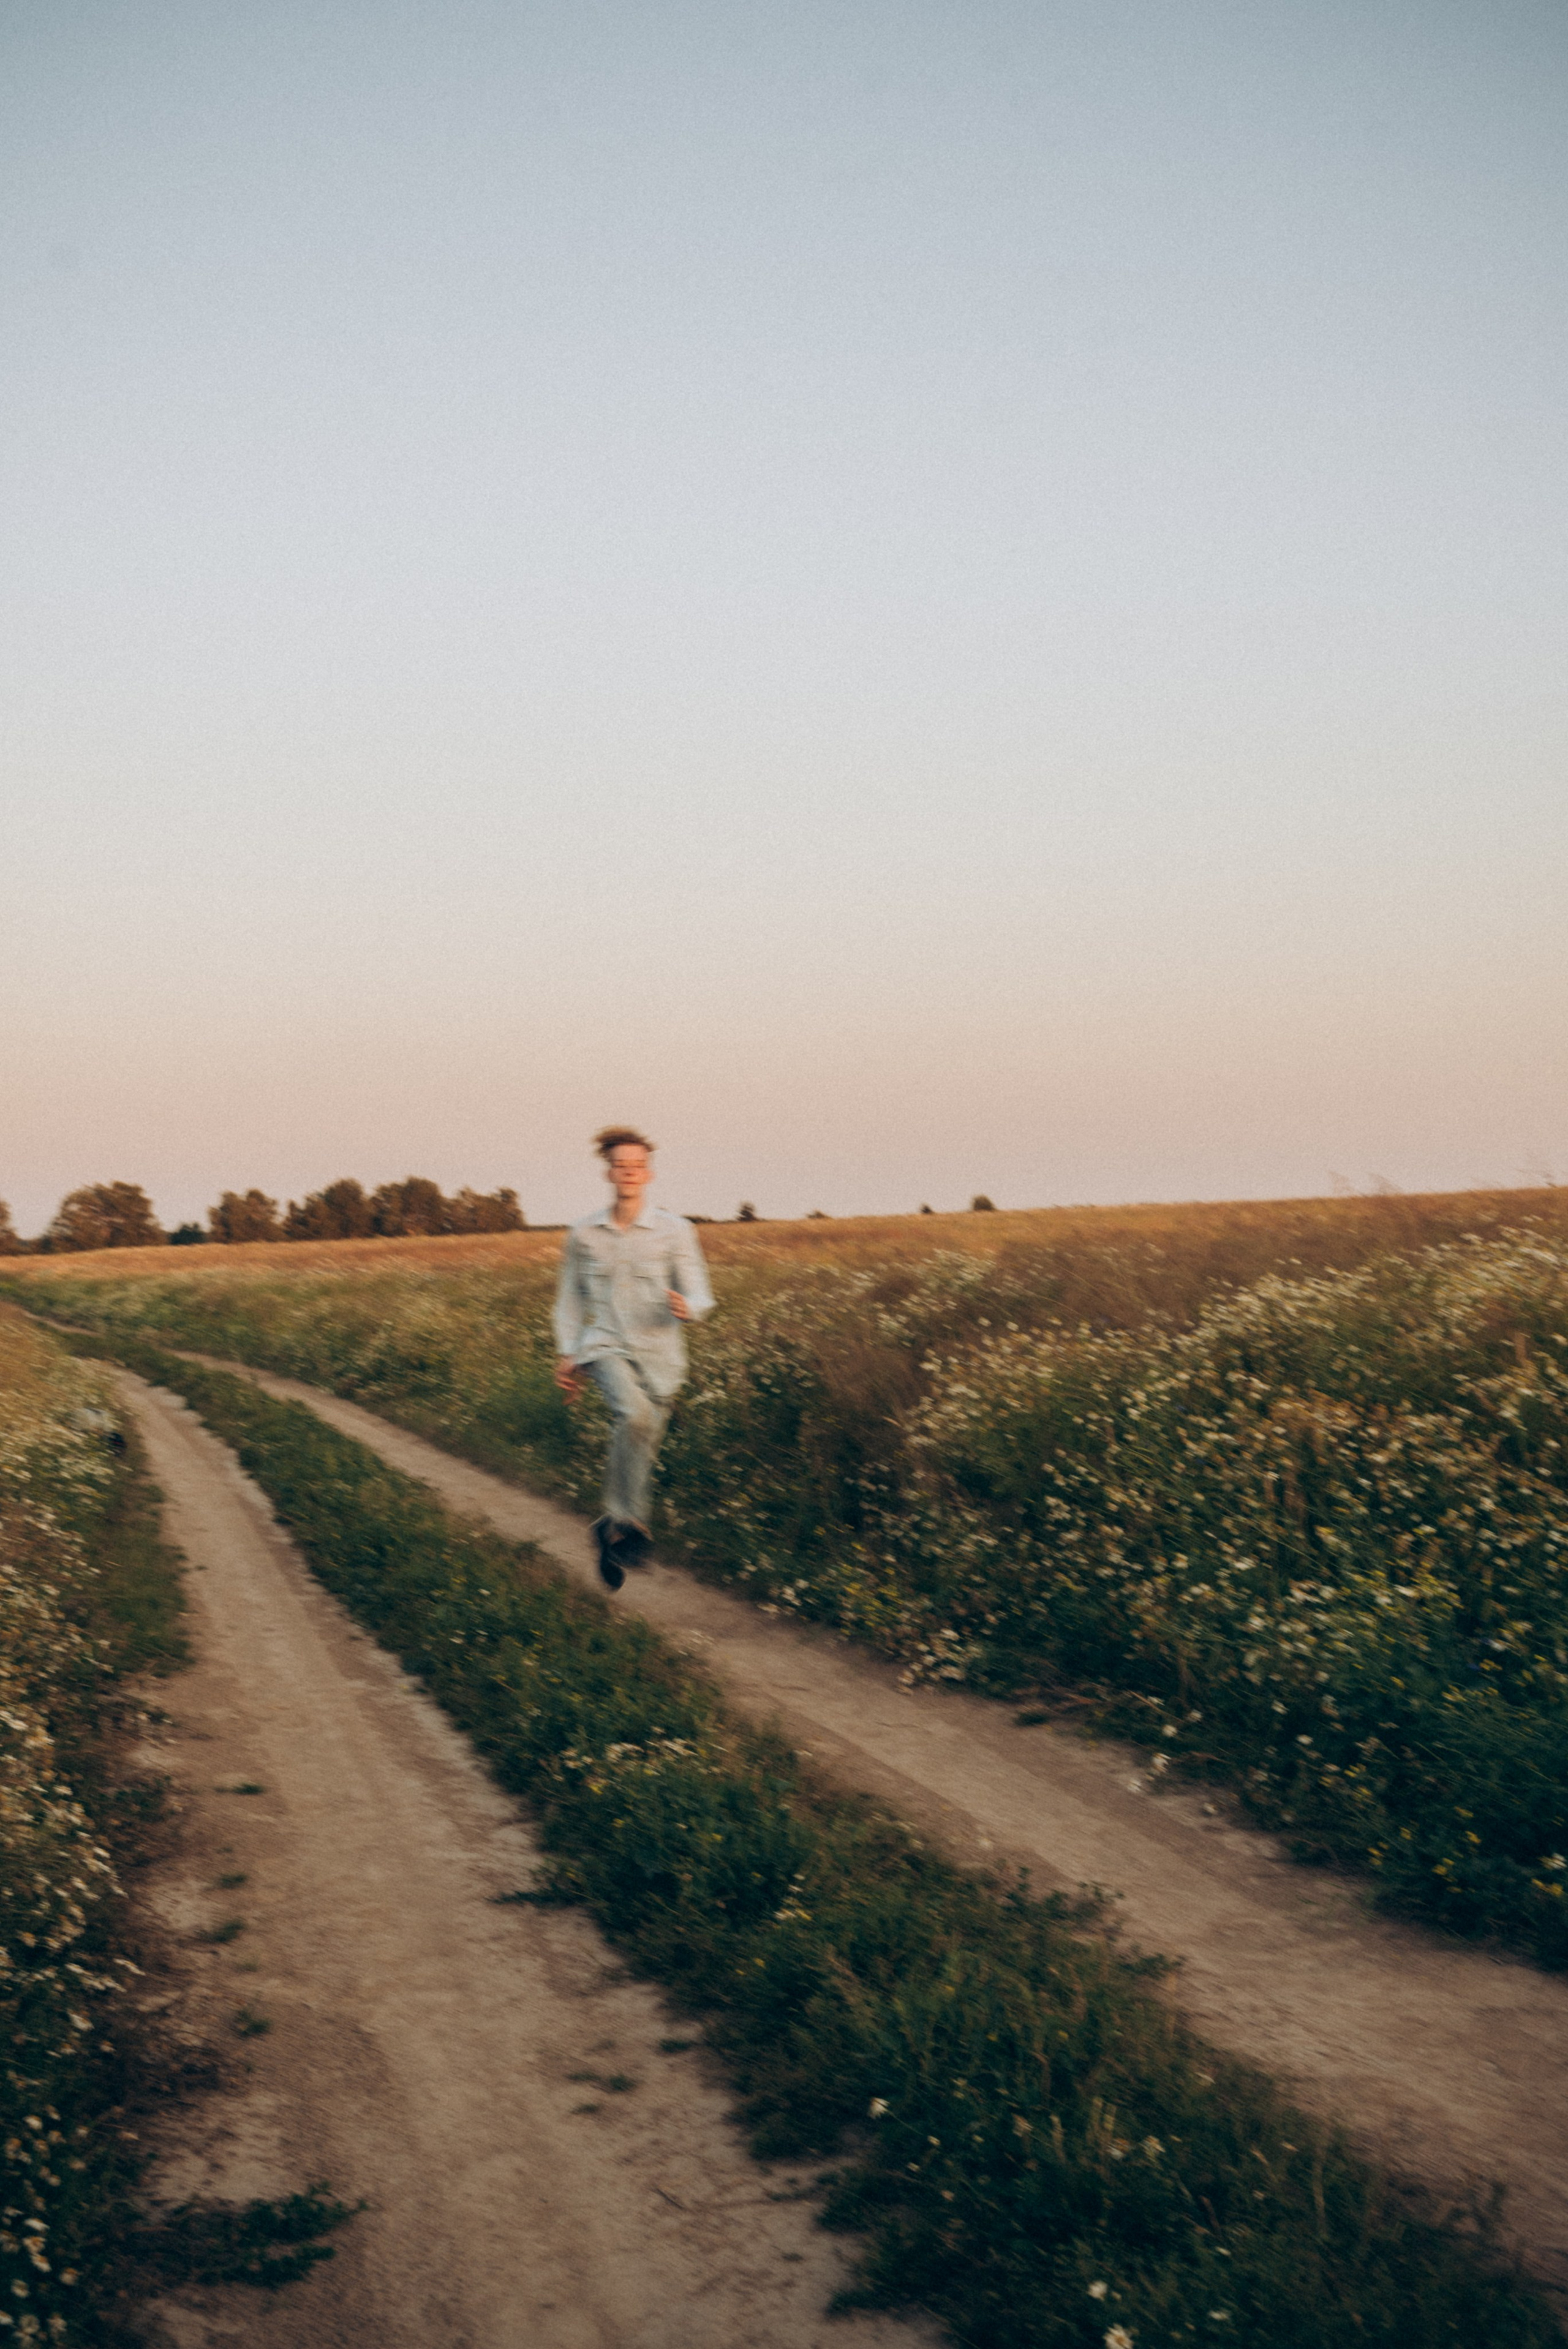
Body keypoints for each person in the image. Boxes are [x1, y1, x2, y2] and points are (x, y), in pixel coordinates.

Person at [552, 1126, 714, 1589]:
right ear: (609, 1172)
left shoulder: (675, 1231)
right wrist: (568, 1355)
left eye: (637, 1166)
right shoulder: (584, 1234)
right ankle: (632, 1523)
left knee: (641, 1441)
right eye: (621, 1165)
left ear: (649, 1173)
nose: (629, 1172)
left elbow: (701, 1291)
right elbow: (569, 1300)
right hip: (604, 1346)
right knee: (635, 1415)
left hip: (661, 1357)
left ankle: (609, 1528)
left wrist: (690, 1306)